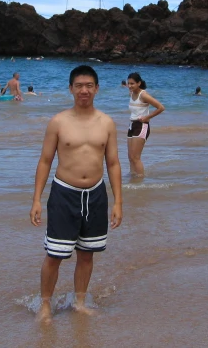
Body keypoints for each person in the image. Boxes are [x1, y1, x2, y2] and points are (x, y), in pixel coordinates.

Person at [29, 65, 122, 324]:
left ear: (97, 89)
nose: (84, 90)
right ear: (71, 88)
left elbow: (113, 163)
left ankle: (79, 302)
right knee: (55, 255)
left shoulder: (107, 123)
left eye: (89, 85)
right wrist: (36, 199)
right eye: (79, 85)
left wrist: (118, 202)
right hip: (64, 194)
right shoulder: (59, 122)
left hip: (95, 194)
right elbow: (45, 160)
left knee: (87, 254)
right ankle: (45, 304)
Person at [126, 72, 165, 177]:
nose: (129, 86)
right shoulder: (131, 93)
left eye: (132, 83)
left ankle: (139, 180)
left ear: (139, 83)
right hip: (132, 125)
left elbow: (161, 107)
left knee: (135, 157)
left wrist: (147, 117)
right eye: (128, 83)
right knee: (130, 156)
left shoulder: (143, 95)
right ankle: (132, 176)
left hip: (141, 126)